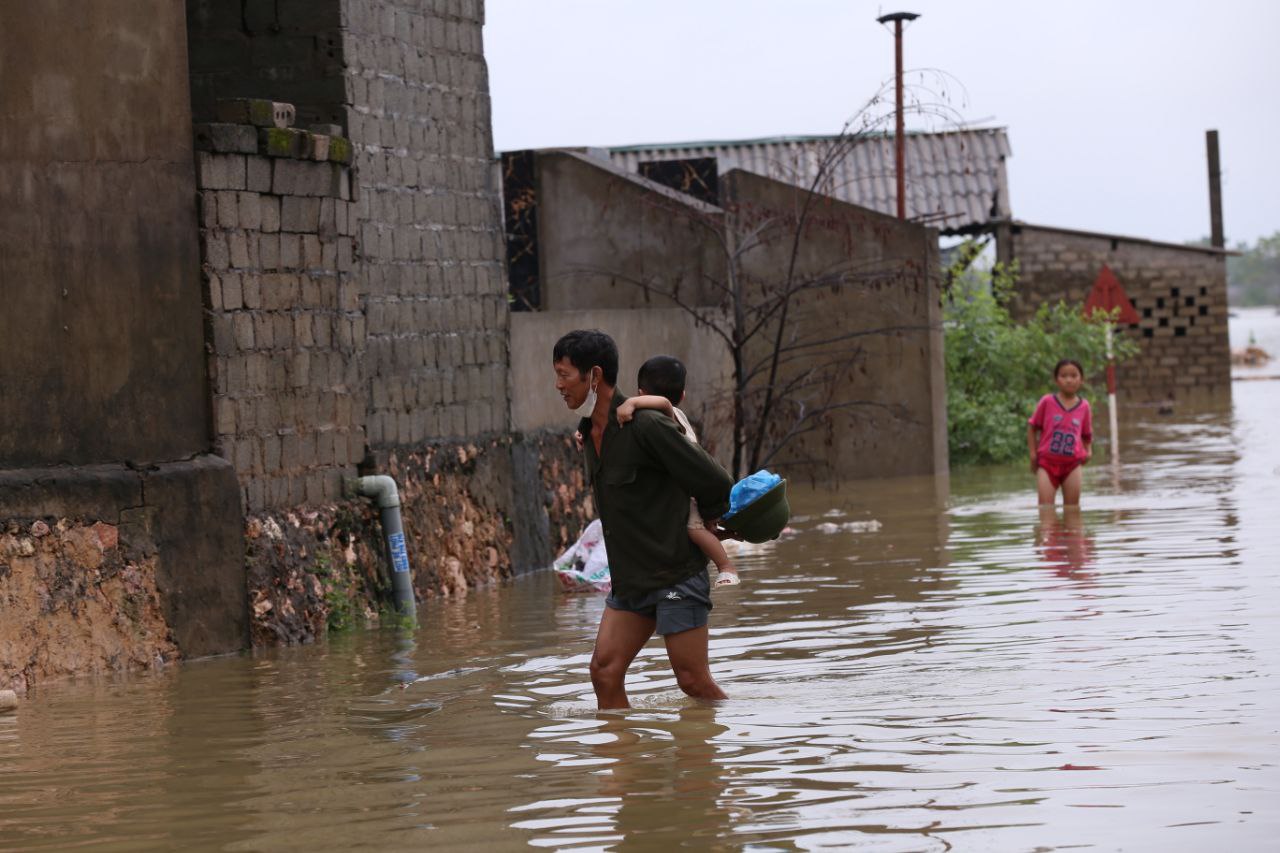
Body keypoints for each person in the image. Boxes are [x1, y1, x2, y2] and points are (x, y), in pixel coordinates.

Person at [553, 330, 735, 709]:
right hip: (631, 582)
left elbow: (714, 479)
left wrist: (710, 521)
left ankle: (732, 739)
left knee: (692, 682)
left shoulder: (646, 425)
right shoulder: (587, 434)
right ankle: (625, 766)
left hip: (674, 576)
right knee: (604, 672)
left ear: (595, 376)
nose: (558, 385)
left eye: (565, 374)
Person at [616, 355, 741, 589]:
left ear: (641, 393)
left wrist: (631, 403)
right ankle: (718, 539)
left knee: (693, 529)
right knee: (703, 528)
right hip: (688, 485)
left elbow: (663, 403)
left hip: (689, 488)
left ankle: (726, 566)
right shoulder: (673, 415)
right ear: (683, 395)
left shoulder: (662, 416)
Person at [1027, 359, 1093, 506]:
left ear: (1081, 380)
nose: (1069, 380)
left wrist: (1088, 451)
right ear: (1056, 380)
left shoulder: (1084, 406)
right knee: (1045, 511)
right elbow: (1032, 427)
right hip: (1047, 464)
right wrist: (1033, 455)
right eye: (1064, 376)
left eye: (1074, 376)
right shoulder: (1047, 401)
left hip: (1072, 465)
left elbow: (1087, 435)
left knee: (1072, 512)